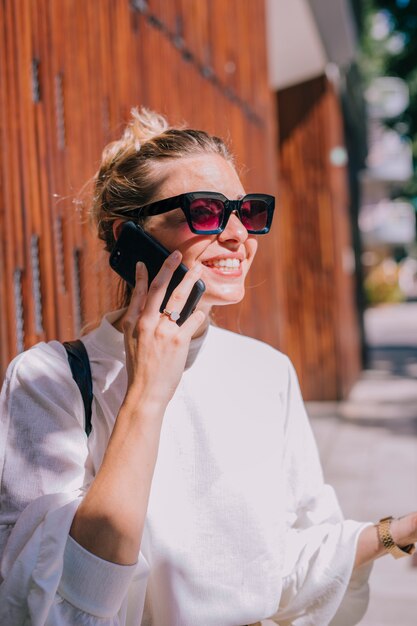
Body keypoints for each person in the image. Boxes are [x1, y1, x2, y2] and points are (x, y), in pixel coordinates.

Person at [0, 108, 416, 626]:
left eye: (248, 210)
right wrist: (148, 393)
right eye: (205, 211)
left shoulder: (268, 371)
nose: (240, 234)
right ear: (129, 236)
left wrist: (396, 532)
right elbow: (52, 607)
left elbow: (283, 566)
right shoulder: (48, 380)